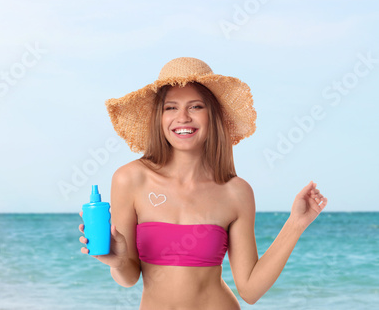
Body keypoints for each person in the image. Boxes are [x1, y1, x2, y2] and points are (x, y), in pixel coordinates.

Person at [78, 57, 328, 309]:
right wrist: (118, 261)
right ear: (159, 117)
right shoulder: (131, 179)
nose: (183, 117)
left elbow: (250, 290)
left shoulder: (236, 192)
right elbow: (129, 277)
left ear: (212, 115)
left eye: (196, 106)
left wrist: (296, 224)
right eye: (171, 107)